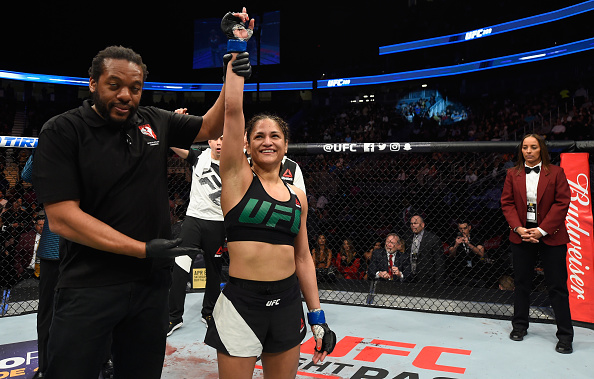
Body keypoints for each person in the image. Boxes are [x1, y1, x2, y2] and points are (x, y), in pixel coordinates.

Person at [31, 42, 238, 378]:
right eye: (114, 85)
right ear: (93, 83)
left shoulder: (154, 120)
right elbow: (63, 218)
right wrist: (142, 249)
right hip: (89, 284)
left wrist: (230, 72)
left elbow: (211, 127)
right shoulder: (63, 130)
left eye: (135, 87)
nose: (126, 95)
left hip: (149, 286)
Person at [204, 11, 335, 377]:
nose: (266, 141)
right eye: (258, 135)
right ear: (246, 143)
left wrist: (318, 316)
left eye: (274, 136)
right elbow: (232, 112)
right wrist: (236, 46)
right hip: (242, 302)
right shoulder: (237, 180)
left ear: (286, 144)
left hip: (288, 303)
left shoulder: (298, 195)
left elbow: (305, 258)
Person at [500, 133, 573, 354]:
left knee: (557, 287)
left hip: (551, 235)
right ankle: (520, 326)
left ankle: (565, 336)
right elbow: (507, 203)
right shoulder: (512, 174)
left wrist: (541, 231)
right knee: (522, 283)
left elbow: (562, 203)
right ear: (520, 150)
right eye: (525, 147)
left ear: (541, 149)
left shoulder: (557, 172)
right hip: (521, 235)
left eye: (533, 147)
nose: (529, 151)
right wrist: (518, 228)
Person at [168, 136, 226, 336]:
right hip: (193, 220)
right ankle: (173, 317)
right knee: (180, 265)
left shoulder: (236, 161)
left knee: (214, 269)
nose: (219, 142)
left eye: (224, 138)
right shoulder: (198, 157)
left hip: (219, 222)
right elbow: (173, 142)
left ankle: (208, 312)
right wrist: (176, 126)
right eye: (215, 138)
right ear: (209, 141)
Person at [403, 215, 445, 284]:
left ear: (422, 225)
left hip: (428, 278)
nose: (413, 225)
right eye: (411, 223)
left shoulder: (433, 239)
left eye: (415, 223)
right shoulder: (408, 237)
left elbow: (439, 262)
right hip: (411, 276)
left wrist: (438, 282)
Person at [447, 221, 486, 287]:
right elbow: (451, 255)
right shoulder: (455, 239)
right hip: (460, 271)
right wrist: (456, 245)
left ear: (469, 227)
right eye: (460, 229)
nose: (463, 231)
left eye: (465, 228)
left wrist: (469, 244)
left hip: (475, 270)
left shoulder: (476, 238)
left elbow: (481, 253)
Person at [13, 217, 44, 281]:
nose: (42, 227)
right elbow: (17, 254)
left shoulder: (52, 238)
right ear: (35, 225)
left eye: (44, 225)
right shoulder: (26, 237)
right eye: (39, 225)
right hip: (28, 270)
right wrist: (20, 270)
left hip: (46, 271)